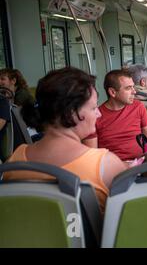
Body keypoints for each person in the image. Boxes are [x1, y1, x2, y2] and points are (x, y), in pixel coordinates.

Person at [3, 67, 128, 213]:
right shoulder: (104, 165)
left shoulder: (14, 161)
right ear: (71, 113)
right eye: (93, 108)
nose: (99, 114)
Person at [84, 69, 147, 161]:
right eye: (128, 88)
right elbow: (92, 155)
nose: (134, 92)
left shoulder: (138, 106)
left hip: (140, 164)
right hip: (113, 169)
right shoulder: (95, 116)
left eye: (133, 87)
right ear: (112, 92)